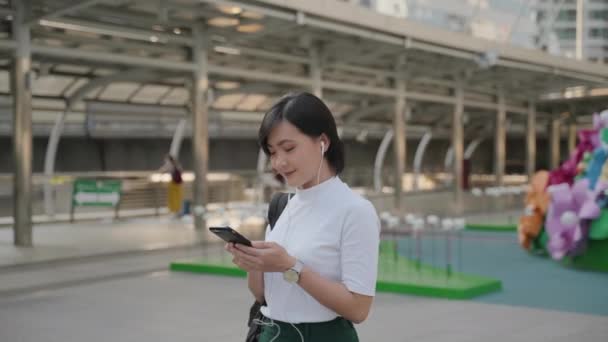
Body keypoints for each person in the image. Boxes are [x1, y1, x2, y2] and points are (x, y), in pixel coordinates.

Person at [226, 92, 380, 342]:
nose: (279, 162)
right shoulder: (282, 206)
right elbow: (262, 295)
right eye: (272, 152)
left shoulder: (355, 210)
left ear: (323, 142)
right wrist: (254, 264)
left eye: (289, 148)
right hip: (272, 333)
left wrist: (290, 266)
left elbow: (358, 309)